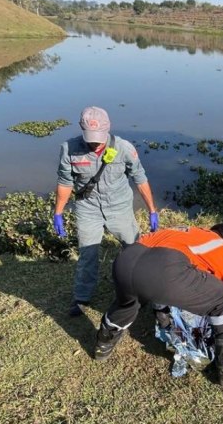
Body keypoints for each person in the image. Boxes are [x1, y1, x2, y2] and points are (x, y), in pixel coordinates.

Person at [93, 224, 223, 388]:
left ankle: (102, 348)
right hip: (164, 270)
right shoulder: (220, 246)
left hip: (125, 261)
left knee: (126, 305)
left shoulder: (185, 231)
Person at [53, 106, 159, 317]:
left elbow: (140, 178)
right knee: (87, 255)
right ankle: (81, 298)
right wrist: (58, 213)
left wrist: (152, 210)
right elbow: (65, 182)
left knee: (134, 250)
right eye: (90, 137)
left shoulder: (124, 148)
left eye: (99, 137)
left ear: (108, 128)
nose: (95, 143)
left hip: (119, 207)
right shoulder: (69, 149)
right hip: (87, 208)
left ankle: (141, 291)